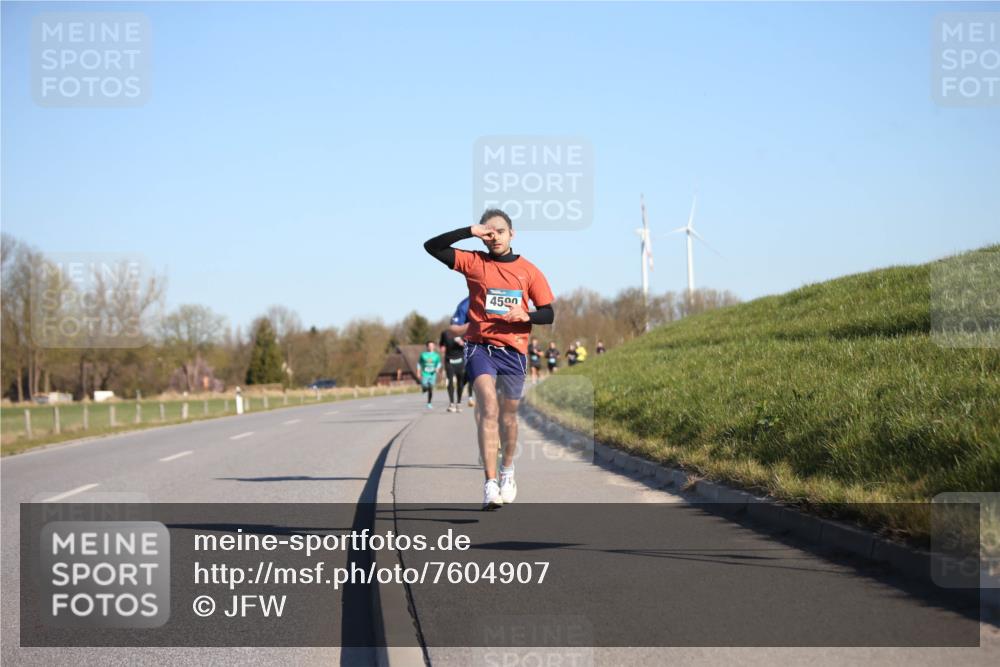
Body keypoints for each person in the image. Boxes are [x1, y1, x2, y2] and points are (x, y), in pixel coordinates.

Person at [424, 209, 554, 509]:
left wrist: (527, 314)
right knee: (488, 407)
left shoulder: (529, 271)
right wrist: (469, 230)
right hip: (479, 346)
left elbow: (548, 313)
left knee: (508, 417)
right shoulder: (474, 262)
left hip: (514, 350)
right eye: (489, 231)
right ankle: (490, 483)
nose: (495, 236)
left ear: (512, 234)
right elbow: (432, 246)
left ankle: (508, 470)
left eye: (501, 231)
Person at [449, 297, 475, 408]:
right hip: (471, 350)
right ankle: (467, 396)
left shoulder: (500, 294)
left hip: (500, 350)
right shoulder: (465, 304)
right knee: (468, 375)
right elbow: (454, 329)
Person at [439, 328, 468, 412]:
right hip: (449, 361)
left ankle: (458, 403)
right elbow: (441, 344)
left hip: (460, 361)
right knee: (450, 381)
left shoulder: (464, 333)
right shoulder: (445, 333)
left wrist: (462, 343)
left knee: (460, 382)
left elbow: (469, 345)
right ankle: (451, 403)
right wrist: (442, 348)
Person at [418, 341, 441, 409]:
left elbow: (439, 363)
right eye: (429, 346)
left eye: (432, 345)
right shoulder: (423, 355)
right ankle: (424, 389)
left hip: (432, 374)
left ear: (434, 346)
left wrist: (437, 368)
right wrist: (418, 372)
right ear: (427, 347)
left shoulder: (436, 355)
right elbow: (419, 364)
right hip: (425, 374)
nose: (431, 347)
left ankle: (429, 403)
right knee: (425, 386)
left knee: (430, 388)